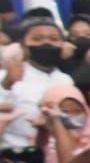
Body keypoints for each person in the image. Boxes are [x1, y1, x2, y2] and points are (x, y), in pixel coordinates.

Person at [5, 12, 74, 149]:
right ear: (23, 45)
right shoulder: (6, 76)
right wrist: (8, 84)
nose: (46, 43)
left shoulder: (66, 80)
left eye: (53, 39)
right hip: (16, 153)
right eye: (37, 39)